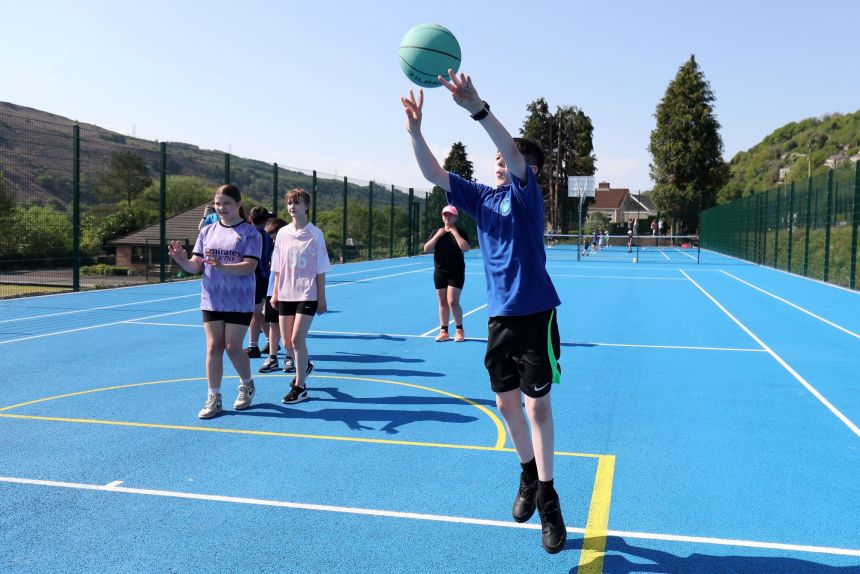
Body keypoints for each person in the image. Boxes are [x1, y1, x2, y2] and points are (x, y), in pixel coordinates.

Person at [401, 71, 566, 554]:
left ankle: (550, 500)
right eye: (495, 158)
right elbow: (434, 175)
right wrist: (414, 131)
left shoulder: (524, 194)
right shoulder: (480, 198)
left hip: (536, 315)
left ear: (525, 168)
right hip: (499, 321)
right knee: (505, 405)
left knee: (537, 406)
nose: (498, 160)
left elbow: (512, 151)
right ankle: (528, 476)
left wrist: (477, 108)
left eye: (506, 158)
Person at [168, 184, 262, 419]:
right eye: (218, 204)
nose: (221, 208)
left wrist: (222, 266)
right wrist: (181, 260)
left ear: (239, 205)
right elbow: (194, 266)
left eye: (227, 203)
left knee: (232, 347)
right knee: (213, 347)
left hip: (239, 299)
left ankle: (247, 384)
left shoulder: (250, 233)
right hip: (211, 298)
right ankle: (214, 397)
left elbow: (250, 266)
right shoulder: (207, 231)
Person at [270, 188, 330, 404]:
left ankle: (300, 386)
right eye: (289, 203)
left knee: (297, 339)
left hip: (307, 293)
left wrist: (321, 297)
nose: (292, 206)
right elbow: (278, 266)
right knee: (286, 342)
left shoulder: (316, 234)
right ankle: (304, 365)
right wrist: (275, 292)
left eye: (297, 202)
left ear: (307, 206)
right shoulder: (283, 234)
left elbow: (321, 268)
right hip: (286, 292)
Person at [423, 205, 470, 342]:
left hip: (456, 272)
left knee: (452, 301)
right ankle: (444, 331)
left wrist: (454, 233)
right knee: (442, 302)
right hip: (440, 272)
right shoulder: (437, 232)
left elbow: (465, 248)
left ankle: (459, 330)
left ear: (456, 217)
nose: (447, 217)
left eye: (450, 215)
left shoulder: (460, 232)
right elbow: (426, 248)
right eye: (445, 214)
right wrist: (438, 235)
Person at [259, 218, 291, 373]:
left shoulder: (291, 248)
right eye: (271, 237)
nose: (273, 239)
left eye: (275, 236)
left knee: (288, 328)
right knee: (273, 325)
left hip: (289, 292)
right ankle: (272, 358)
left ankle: (290, 357)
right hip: (273, 292)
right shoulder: (272, 249)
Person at [244, 206, 274, 359]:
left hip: (254, 278)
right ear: (266, 220)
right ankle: (272, 342)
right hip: (264, 277)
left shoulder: (249, 233)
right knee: (258, 312)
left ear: (250, 217)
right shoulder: (267, 236)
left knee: (254, 313)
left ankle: (253, 346)